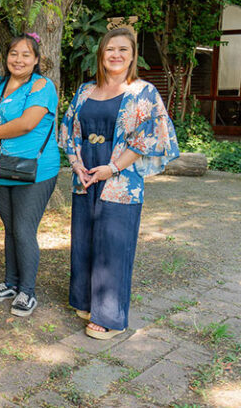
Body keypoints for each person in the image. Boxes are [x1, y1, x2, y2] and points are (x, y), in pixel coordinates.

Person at [60, 27, 179, 339]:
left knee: (113, 245)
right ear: (101, 53)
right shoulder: (85, 91)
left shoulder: (144, 92)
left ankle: (110, 317)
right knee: (84, 239)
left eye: (123, 49)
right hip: (85, 176)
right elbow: (68, 129)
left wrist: (111, 168)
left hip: (120, 180)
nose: (116, 54)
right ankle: (85, 300)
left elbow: (149, 137)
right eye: (110, 49)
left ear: (132, 56)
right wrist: (77, 165)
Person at [0, 33, 60, 317]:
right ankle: (11, 283)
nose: (19, 59)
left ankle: (27, 292)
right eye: (14, 53)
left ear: (36, 60)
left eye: (26, 54)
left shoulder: (42, 85)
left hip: (34, 171)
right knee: (10, 229)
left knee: (24, 230)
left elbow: (26, 124)